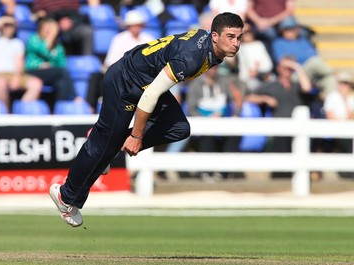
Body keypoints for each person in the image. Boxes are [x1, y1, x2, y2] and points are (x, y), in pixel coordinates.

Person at [49, 12, 244, 227]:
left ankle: (110, 142)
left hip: (144, 80)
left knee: (179, 128)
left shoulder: (206, 43)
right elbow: (150, 95)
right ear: (214, 36)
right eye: (230, 36)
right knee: (102, 147)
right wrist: (136, 135)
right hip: (125, 80)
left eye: (239, 38)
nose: (236, 44)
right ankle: (65, 196)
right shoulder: (192, 57)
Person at [244, 56, 311, 177]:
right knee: (280, 160)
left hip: (298, 128)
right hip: (280, 128)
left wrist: (298, 67)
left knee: (299, 157)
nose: (288, 71)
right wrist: (264, 98)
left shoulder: (297, 86)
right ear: (279, 68)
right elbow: (248, 97)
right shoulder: (271, 86)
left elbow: (307, 88)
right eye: (285, 68)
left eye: (290, 69)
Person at [87, 9, 155, 113]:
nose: (136, 27)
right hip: (122, 74)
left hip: (143, 76)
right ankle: (92, 108)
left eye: (138, 24)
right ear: (128, 26)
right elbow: (110, 63)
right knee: (97, 77)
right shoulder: (119, 39)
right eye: (133, 25)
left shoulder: (149, 38)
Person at [0, 16, 43, 111]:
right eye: (6, 25)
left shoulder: (18, 43)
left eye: (11, 25)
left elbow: (19, 61)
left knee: (36, 83)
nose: (8, 27)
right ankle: (5, 114)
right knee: (1, 82)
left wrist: (17, 77)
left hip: (13, 74)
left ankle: (22, 111)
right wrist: (5, 19)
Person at [271, 17, 337, 99]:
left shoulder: (304, 42)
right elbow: (283, 62)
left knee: (330, 80)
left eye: (292, 29)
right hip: (295, 74)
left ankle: (332, 107)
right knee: (315, 62)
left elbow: (315, 56)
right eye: (287, 29)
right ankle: (333, 72)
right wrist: (297, 67)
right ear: (282, 31)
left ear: (297, 29)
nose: (290, 32)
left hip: (311, 73)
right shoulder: (279, 43)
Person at [25, 18, 82, 104]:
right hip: (33, 71)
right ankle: (75, 97)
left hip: (50, 73)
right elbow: (44, 51)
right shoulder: (34, 39)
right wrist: (50, 39)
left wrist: (50, 65)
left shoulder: (58, 46)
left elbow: (62, 64)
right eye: (47, 29)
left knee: (61, 83)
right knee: (63, 72)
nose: (49, 32)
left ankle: (59, 109)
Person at [323, 71, 354, 179]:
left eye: (346, 83)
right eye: (342, 83)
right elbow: (330, 114)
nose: (344, 86)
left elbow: (351, 115)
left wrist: (345, 100)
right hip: (336, 130)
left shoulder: (350, 99)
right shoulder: (332, 97)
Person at [237, 23, 273, 91]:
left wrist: (258, 71)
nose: (247, 34)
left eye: (249, 31)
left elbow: (268, 65)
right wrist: (249, 75)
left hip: (263, 76)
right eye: (244, 32)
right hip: (248, 80)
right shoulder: (239, 48)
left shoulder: (259, 45)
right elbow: (241, 71)